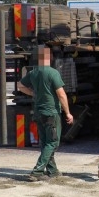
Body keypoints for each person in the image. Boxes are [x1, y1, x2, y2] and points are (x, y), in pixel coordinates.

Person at [18, 46, 74, 181]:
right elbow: (61, 94)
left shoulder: (33, 72)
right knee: (53, 143)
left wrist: (33, 93)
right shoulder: (53, 73)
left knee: (45, 142)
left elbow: (20, 86)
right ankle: (37, 171)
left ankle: (52, 170)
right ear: (50, 57)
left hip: (39, 113)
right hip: (51, 113)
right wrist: (68, 113)